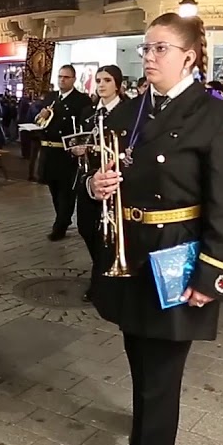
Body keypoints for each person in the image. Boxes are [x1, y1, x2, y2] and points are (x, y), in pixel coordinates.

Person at [88, 12, 223, 445]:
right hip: (131, 250)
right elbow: (108, 169)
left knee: (161, 372)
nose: (148, 57)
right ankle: (147, 429)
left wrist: (212, 275)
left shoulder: (217, 117)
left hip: (178, 255)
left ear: (189, 57)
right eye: (145, 48)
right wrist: (97, 185)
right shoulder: (129, 112)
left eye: (159, 49)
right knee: (140, 355)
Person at [72, 65, 125, 303]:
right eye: (99, 80)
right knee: (85, 227)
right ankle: (100, 268)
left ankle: (100, 282)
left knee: (107, 233)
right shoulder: (88, 112)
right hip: (87, 180)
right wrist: (77, 149)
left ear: (118, 85)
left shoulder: (126, 112)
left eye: (107, 80)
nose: (101, 85)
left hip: (112, 182)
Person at [37, 64, 91, 240]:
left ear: (73, 79)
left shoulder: (81, 100)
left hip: (67, 153)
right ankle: (62, 218)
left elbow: (84, 127)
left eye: (66, 77)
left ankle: (60, 224)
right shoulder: (52, 97)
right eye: (60, 77)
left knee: (66, 192)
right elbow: (39, 120)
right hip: (49, 150)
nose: (62, 80)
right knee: (53, 189)